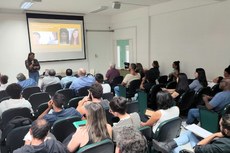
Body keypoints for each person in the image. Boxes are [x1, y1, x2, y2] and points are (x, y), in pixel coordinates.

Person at [152, 114, 230, 153]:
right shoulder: (226, 138)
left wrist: (214, 135)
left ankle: (168, 147)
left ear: (226, 131)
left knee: (176, 149)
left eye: (220, 126)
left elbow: (197, 149)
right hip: (211, 147)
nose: (219, 127)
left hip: (199, 150)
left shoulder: (223, 145)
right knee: (190, 133)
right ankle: (167, 145)